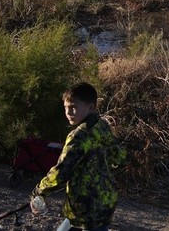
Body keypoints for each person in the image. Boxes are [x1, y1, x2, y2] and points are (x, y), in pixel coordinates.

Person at [30, 82, 126, 231]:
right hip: (105, 201)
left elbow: (61, 172)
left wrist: (39, 191)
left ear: (91, 107)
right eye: (66, 108)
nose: (68, 112)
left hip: (87, 207)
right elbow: (119, 157)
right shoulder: (103, 127)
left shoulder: (79, 136)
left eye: (73, 107)